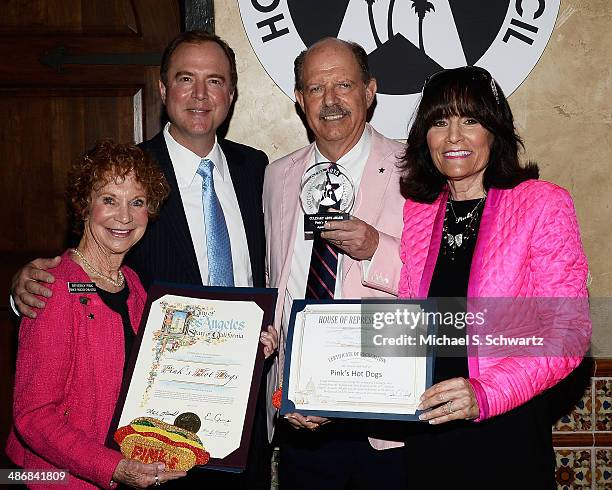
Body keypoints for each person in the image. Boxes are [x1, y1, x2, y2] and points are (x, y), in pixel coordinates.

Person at [10, 31, 276, 488]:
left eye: (214, 81)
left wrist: (259, 339)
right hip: (145, 441)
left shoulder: (257, 169)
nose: (199, 95)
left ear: (231, 94)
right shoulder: (131, 173)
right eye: (185, 78)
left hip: (239, 415)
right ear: (161, 88)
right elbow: (79, 275)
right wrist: (23, 289)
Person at [397, 66, 591, 488]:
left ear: (495, 130)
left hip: (505, 432)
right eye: (439, 121)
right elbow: (411, 325)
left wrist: (485, 394)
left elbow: (568, 332)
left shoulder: (542, 204)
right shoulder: (419, 212)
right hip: (428, 433)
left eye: (470, 120)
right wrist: (331, 387)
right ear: (424, 137)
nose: (453, 137)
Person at [264, 38, 407, 489]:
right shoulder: (277, 175)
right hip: (299, 416)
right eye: (314, 88)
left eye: (344, 84)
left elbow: (443, 279)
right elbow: (277, 282)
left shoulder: (416, 169)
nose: (329, 100)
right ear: (299, 99)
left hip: (383, 422)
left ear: (369, 92)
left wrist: (376, 248)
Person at [5, 140, 187, 488]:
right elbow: (33, 417)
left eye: (137, 202)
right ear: (84, 206)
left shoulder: (132, 285)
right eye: (109, 200)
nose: (124, 216)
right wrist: (114, 467)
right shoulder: (53, 287)